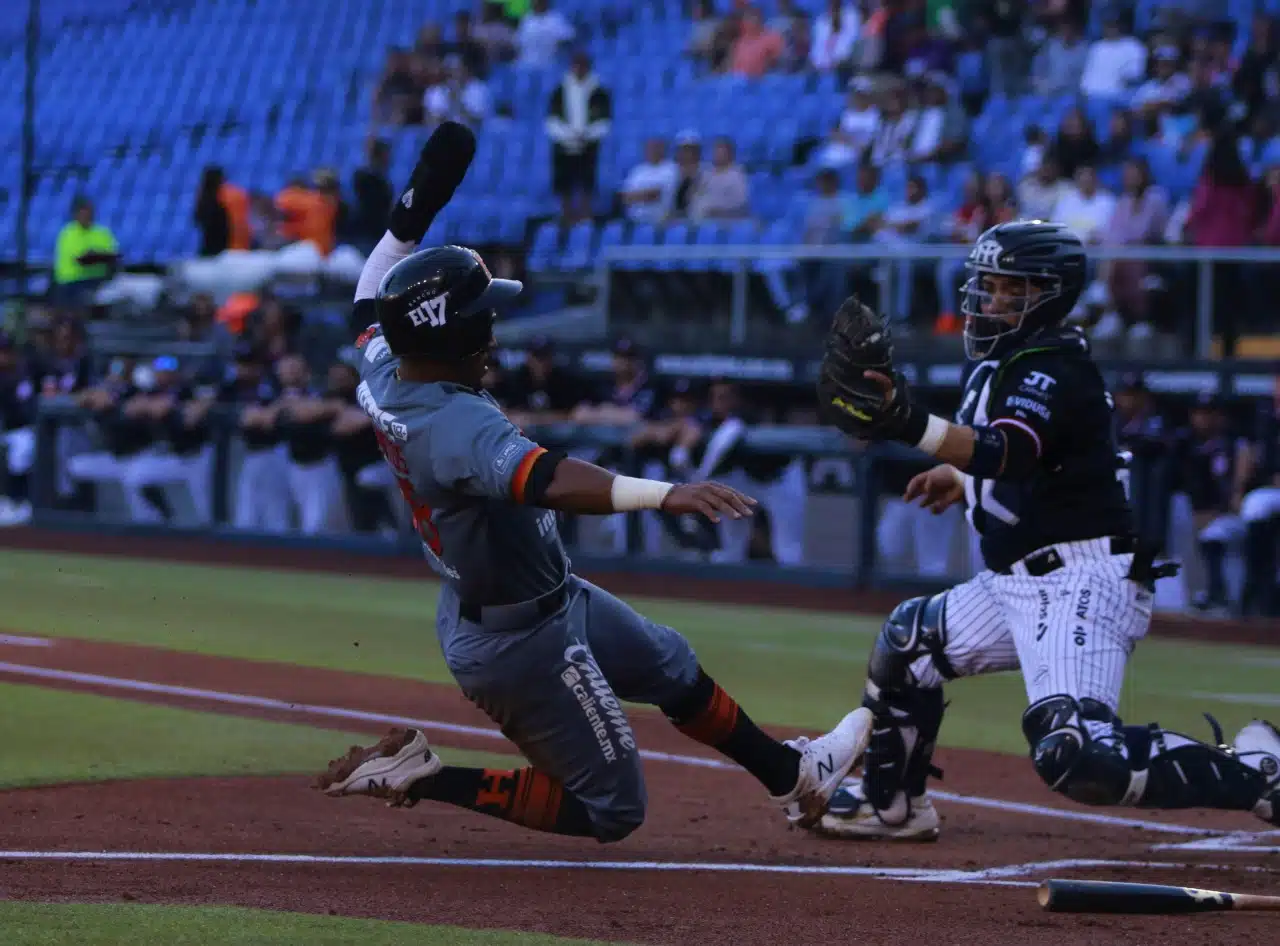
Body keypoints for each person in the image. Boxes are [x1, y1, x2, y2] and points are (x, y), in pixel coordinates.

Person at [313, 122, 868, 841]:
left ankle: (795, 778)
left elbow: (372, 289)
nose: (494, 331)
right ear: (453, 339)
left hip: (541, 596)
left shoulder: (390, 365)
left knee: (671, 666)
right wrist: (664, 493)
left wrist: (421, 197)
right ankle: (425, 774)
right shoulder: (452, 427)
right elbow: (549, 478)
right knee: (613, 810)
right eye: (483, 318)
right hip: (519, 643)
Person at [810, 220, 1280, 841]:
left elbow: (1010, 451)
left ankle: (1258, 773)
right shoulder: (1008, 360)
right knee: (909, 643)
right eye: (987, 284)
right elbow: (1014, 454)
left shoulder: (1053, 365)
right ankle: (889, 805)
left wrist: (909, 424)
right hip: (1018, 579)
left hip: (1079, 578)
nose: (988, 298)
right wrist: (962, 473)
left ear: (1049, 293)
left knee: (1078, 755)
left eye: (1008, 288)